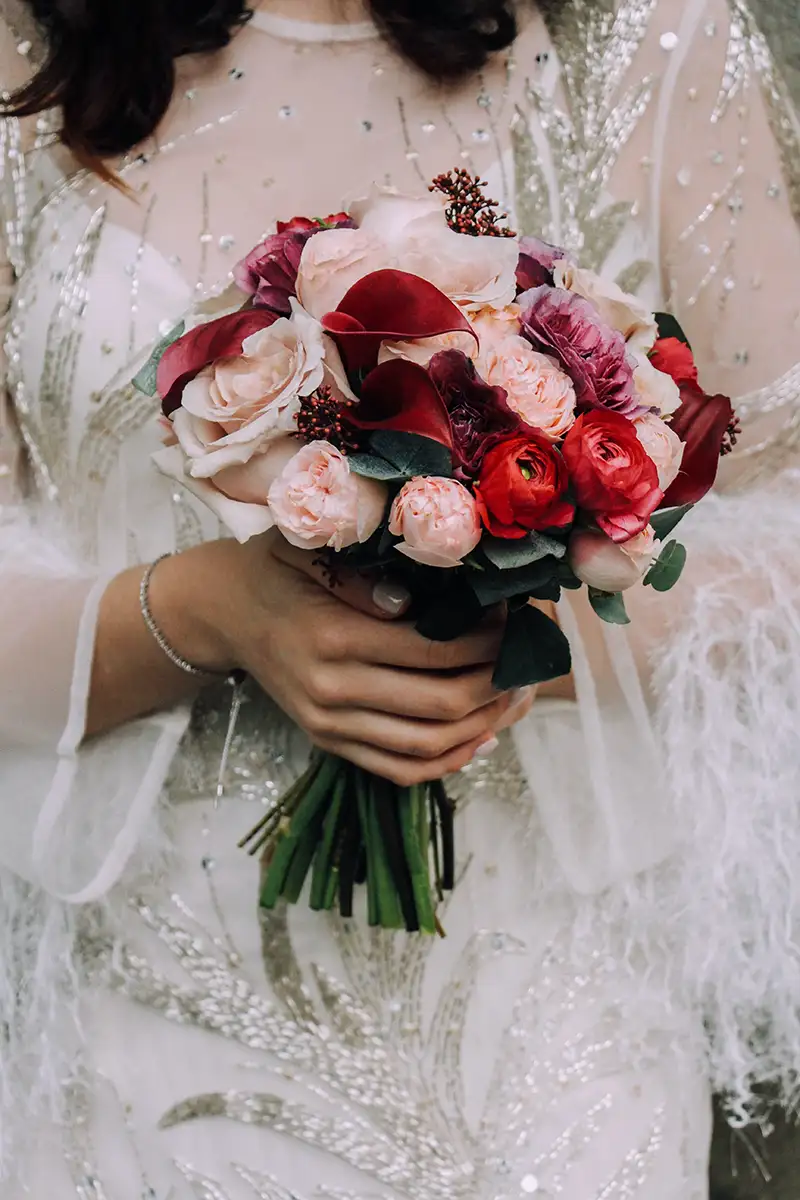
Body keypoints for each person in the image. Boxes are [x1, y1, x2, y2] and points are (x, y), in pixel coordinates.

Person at [0, 0, 798, 1194]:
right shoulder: (24, 53)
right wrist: (212, 610)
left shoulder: (649, 41)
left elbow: (782, 545)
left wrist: (531, 606)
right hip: (150, 1032)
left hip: (551, 1047)